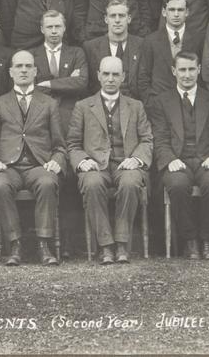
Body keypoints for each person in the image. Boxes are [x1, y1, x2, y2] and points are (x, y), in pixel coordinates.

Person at [0, 50, 66, 265]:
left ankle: (44, 245)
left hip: (38, 165)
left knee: (48, 182)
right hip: (8, 167)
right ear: (10, 72)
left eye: (28, 66)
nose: (24, 70)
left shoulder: (49, 103)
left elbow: (60, 145)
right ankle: (15, 244)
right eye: (19, 66)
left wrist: (57, 160)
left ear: (36, 71)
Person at [68, 56, 153, 264]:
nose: (110, 79)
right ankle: (105, 246)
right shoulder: (83, 106)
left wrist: (136, 159)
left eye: (116, 74)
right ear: (98, 76)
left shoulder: (136, 106)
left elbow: (147, 139)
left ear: (123, 77)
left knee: (131, 182)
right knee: (92, 183)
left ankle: (122, 245)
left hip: (126, 164)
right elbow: (72, 144)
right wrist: (82, 160)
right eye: (106, 74)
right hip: (96, 165)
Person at [150, 51, 209, 259]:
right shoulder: (161, 101)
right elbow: (159, 138)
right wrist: (170, 159)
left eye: (191, 69)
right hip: (178, 159)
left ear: (199, 70)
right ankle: (190, 241)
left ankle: (208, 241)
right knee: (176, 185)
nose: (187, 75)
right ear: (174, 71)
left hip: (207, 158)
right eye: (182, 70)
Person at [138, 0, 200, 108]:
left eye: (180, 10)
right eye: (171, 10)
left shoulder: (198, 39)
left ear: (187, 12)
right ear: (164, 12)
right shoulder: (151, 40)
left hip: (190, 104)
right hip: (159, 105)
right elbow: (143, 77)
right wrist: (151, 102)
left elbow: (202, 74)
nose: (176, 14)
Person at [30, 10, 88, 131]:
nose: (54, 31)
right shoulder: (31, 55)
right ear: (42, 29)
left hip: (70, 113)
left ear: (64, 28)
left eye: (58, 26)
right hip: (40, 113)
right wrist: (69, 81)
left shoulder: (76, 53)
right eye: (49, 27)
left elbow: (81, 82)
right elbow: (32, 88)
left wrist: (48, 84)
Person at [83, 0, 144, 98]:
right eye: (113, 16)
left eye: (121, 16)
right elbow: (89, 86)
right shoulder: (90, 47)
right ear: (106, 19)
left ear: (129, 19)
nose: (117, 20)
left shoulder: (142, 45)